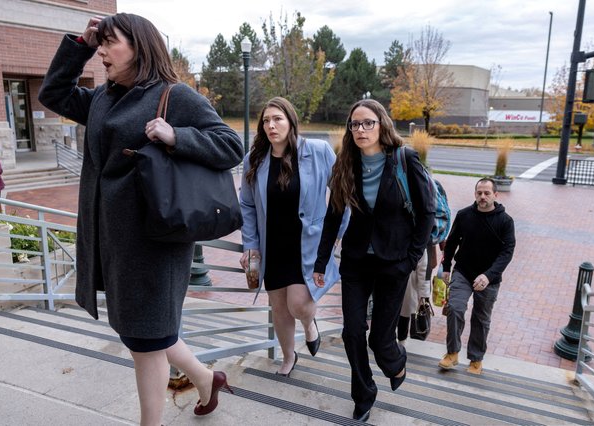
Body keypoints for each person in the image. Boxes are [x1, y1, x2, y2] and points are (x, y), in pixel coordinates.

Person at [38, 14, 243, 425]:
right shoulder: (103, 98)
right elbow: (54, 93)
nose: (101, 52)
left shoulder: (174, 95)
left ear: (139, 46)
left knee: (145, 344)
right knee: (147, 334)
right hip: (114, 243)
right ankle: (206, 379)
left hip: (155, 245)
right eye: (99, 45)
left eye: (109, 43)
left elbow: (231, 145)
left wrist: (177, 136)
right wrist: (78, 43)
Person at [313, 99, 434, 422]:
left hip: (394, 263)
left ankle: (395, 362)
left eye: (368, 123)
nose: (360, 130)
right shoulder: (346, 163)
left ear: (382, 124)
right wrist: (321, 261)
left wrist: (411, 258)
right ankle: (363, 395)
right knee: (352, 332)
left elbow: (427, 212)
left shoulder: (404, 160)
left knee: (381, 340)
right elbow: (333, 214)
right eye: (355, 124)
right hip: (356, 261)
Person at [239, 97, 342, 376]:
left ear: (291, 121)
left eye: (277, 119)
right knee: (279, 308)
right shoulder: (254, 159)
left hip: (306, 246)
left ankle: (310, 325)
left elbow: (343, 194)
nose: (271, 125)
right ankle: (288, 356)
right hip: (271, 246)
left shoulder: (318, 151)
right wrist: (250, 246)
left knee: (298, 304)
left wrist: (336, 235)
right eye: (266, 120)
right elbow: (247, 205)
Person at [438, 177, 515, 375]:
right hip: (463, 271)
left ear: (495, 195)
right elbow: (452, 241)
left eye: (487, 193)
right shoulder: (464, 215)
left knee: (481, 319)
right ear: (475, 194)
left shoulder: (505, 221)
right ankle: (452, 353)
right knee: (455, 308)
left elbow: (507, 253)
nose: (482, 196)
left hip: (489, 278)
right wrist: (446, 267)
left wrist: (488, 276)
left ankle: (476, 358)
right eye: (479, 193)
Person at [396, 249, 431, 344]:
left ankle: (401, 341)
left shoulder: (419, 241)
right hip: (393, 279)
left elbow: (423, 269)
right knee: (398, 313)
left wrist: (423, 294)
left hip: (408, 282)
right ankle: (396, 341)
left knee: (404, 314)